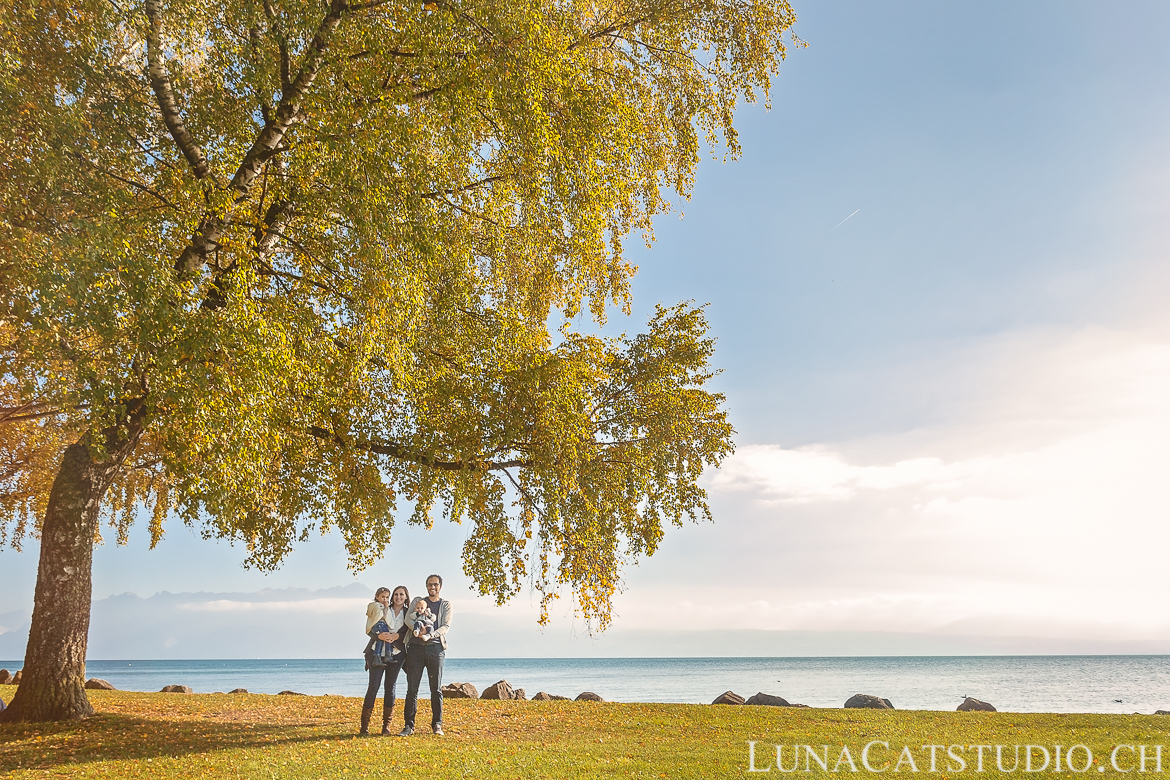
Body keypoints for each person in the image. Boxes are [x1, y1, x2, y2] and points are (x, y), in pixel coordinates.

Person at [398, 574, 452, 736]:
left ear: (440, 586)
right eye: (429, 584)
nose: (432, 587)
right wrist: (418, 632)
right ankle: (409, 726)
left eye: (435, 584)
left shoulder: (445, 605)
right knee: (412, 689)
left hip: (436, 649)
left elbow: (445, 626)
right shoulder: (417, 601)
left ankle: (437, 725)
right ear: (426, 586)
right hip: (416, 649)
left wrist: (430, 634)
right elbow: (408, 619)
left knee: (436, 689)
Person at [360, 585, 409, 736]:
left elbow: (409, 631)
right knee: (373, 687)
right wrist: (378, 636)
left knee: (390, 687)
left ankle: (386, 726)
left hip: (396, 654)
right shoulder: (383, 607)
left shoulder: (408, 613)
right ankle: (364, 727)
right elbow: (371, 627)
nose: (398, 597)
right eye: (396, 594)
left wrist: (397, 636)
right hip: (377, 652)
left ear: (406, 597)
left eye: (401, 594)